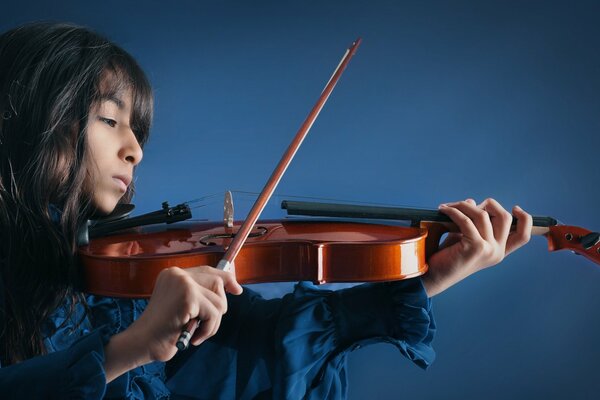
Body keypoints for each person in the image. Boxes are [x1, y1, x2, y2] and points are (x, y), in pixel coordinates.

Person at [0, 22, 532, 399]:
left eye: (137, 129)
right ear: (34, 115)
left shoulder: (110, 281)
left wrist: (427, 277)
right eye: (109, 119)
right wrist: (131, 348)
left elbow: (259, 346)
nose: (136, 149)